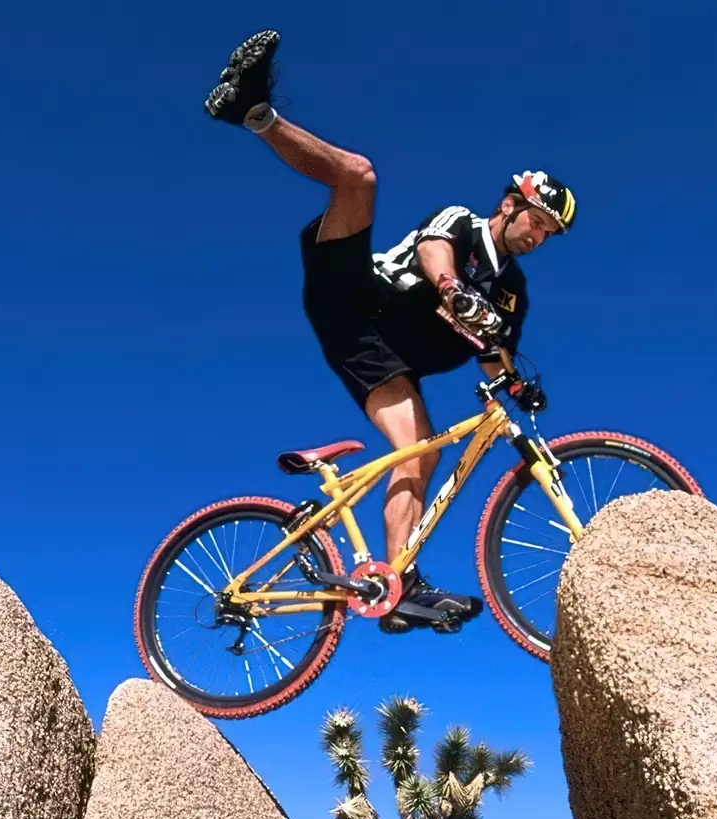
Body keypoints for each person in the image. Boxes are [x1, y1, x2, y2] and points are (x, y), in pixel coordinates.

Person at [205, 30, 575, 634]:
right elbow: (434, 254)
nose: (537, 237)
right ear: (510, 205)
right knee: (358, 177)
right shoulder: (463, 223)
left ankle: (396, 581)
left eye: (548, 235)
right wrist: (452, 290)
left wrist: (516, 384)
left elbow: (495, 354)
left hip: (379, 356)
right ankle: (253, 111)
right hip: (356, 299)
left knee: (420, 449)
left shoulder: (513, 292)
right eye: (535, 221)